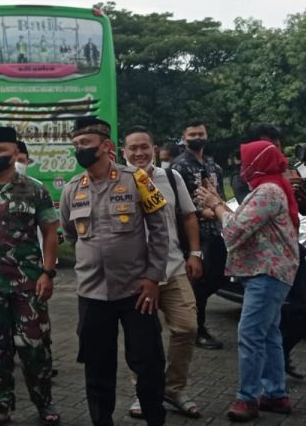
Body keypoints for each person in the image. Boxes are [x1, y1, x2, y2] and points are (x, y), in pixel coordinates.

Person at [60, 117, 171, 426]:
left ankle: (155, 419)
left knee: (147, 363)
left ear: (106, 146)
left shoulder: (137, 179)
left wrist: (152, 278)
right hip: (92, 294)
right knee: (97, 367)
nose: (79, 150)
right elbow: (70, 234)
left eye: (85, 144)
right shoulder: (72, 189)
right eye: (76, 145)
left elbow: (160, 232)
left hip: (136, 291)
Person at [196, 140, 300, 422]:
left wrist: (216, 204)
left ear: (258, 162)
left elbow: (232, 231)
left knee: (251, 334)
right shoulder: (269, 187)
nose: (243, 167)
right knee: (268, 335)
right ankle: (276, 394)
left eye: (246, 161)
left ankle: (247, 398)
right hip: (268, 272)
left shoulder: (267, 191)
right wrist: (218, 204)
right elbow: (241, 222)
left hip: (266, 273)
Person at [0, 126, 60, 426]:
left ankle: (44, 403)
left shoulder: (35, 188)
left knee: (34, 346)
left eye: (1, 150)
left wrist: (48, 272)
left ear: (15, 152)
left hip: (29, 282)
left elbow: (50, 233)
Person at [121, 127, 204, 419]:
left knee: (187, 328)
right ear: (124, 152)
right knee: (142, 339)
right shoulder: (117, 180)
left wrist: (195, 253)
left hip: (173, 267)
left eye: (145, 146)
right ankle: (144, 393)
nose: (139, 153)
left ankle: (172, 388)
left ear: (154, 148)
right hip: (136, 276)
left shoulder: (171, 177)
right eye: (133, 148)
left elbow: (189, 215)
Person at [235, 123, 306, 379]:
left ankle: (276, 361)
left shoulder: (285, 173)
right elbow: (244, 218)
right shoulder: (250, 179)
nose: (276, 149)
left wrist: (304, 196)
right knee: (258, 330)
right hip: (266, 260)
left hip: (289, 250)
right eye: (268, 145)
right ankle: (269, 378)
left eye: (277, 144)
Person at [169, 120, 227, 350]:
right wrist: (205, 212)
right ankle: (196, 327)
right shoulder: (178, 167)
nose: (196, 137)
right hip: (194, 233)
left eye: (200, 133)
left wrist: (219, 209)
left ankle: (191, 319)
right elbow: (176, 204)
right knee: (199, 279)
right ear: (184, 137)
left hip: (216, 231)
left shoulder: (214, 166)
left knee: (218, 277)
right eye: (192, 134)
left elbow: (219, 194)